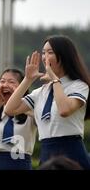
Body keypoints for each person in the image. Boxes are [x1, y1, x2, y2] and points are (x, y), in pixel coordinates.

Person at [5, 35, 90, 169]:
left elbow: (64, 110)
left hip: (71, 151)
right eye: (43, 52)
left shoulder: (79, 86)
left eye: (50, 52)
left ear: (64, 56)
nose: (44, 57)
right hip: (46, 151)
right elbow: (9, 109)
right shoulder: (41, 91)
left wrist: (55, 80)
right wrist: (27, 79)